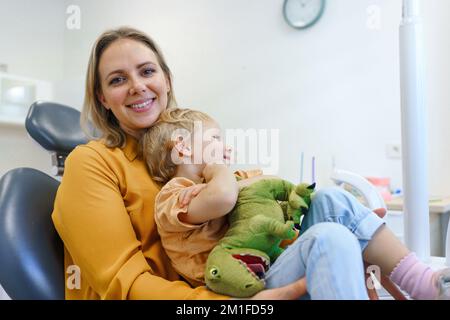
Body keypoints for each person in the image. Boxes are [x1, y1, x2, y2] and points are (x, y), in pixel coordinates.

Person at [52, 26, 449, 300]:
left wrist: (363, 247)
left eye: (147, 71)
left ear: (167, 80)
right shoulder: (93, 163)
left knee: (331, 211)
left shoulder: (191, 152)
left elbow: (258, 210)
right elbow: (126, 284)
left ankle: (421, 282)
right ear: (102, 97)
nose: (137, 85)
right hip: (213, 292)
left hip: (248, 268)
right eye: (117, 79)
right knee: (330, 239)